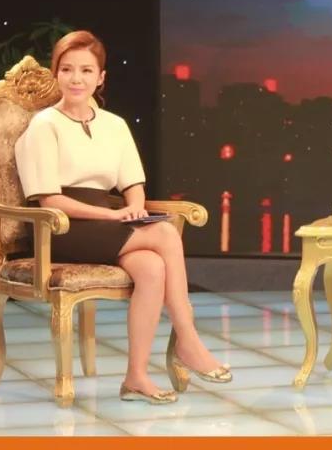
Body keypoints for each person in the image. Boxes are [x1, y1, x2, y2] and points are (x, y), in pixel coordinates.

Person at [14, 30, 232, 404]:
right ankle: (188, 339)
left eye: (86, 70)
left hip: (108, 219)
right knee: (165, 234)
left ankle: (136, 377)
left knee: (152, 267)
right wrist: (111, 215)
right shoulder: (44, 125)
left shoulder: (114, 124)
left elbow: (133, 183)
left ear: (101, 77)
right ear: (56, 74)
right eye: (67, 69)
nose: (76, 78)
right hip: (62, 226)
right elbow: (50, 199)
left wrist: (134, 206)